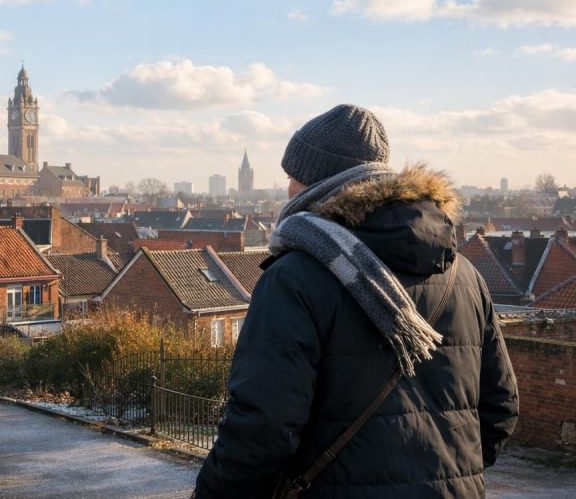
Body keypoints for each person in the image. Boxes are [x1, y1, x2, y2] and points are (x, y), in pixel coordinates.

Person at [195, 104, 519, 498]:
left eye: (292, 177)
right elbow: (500, 407)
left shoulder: (295, 277)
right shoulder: (463, 273)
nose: (287, 189)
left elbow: (263, 427)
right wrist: (445, 471)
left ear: (320, 182)